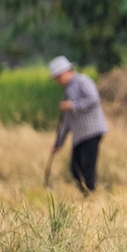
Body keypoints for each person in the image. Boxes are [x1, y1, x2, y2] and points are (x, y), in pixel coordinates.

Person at [46, 55, 108, 194]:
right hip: (80, 135)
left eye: (58, 77)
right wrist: (58, 143)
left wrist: (72, 105)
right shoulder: (67, 91)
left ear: (66, 71)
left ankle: (91, 194)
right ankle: (86, 193)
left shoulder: (82, 81)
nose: (58, 81)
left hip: (92, 131)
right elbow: (66, 122)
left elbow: (93, 99)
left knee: (87, 165)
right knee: (75, 167)